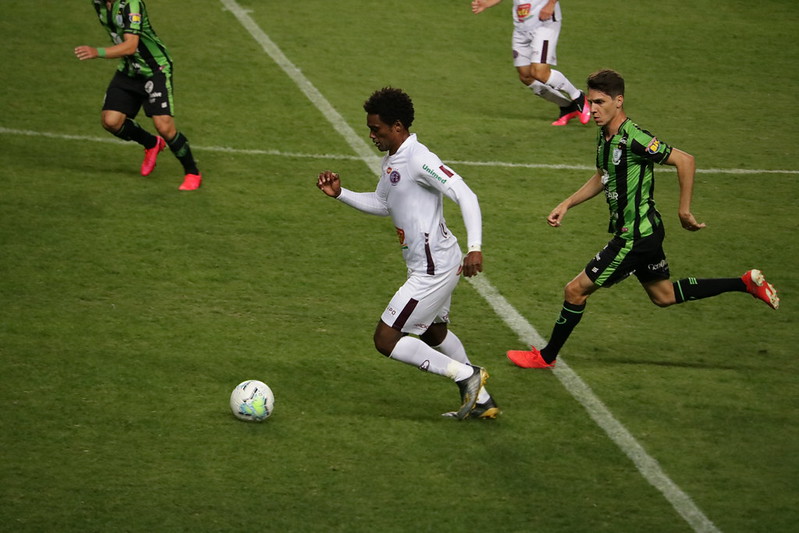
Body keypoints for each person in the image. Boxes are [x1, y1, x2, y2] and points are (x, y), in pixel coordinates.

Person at [507, 69, 780, 369]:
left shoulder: (635, 138)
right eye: (590, 102)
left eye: (599, 102)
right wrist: (568, 203)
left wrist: (684, 210)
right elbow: (603, 176)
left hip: (634, 237)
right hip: (647, 232)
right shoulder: (605, 135)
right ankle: (745, 284)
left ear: (618, 101)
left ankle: (546, 357)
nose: (592, 109)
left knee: (575, 291)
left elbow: (685, 160)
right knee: (663, 295)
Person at [316, 87, 497, 420]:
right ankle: (482, 400)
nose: (372, 135)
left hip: (434, 270)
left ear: (397, 126)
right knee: (432, 332)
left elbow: (466, 194)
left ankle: (467, 375)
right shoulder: (393, 161)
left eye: (377, 129)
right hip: (434, 262)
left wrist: (476, 248)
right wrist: (340, 194)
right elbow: (383, 203)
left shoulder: (418, 158)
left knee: (386, 338)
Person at [74, 0, 202, 191]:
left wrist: (96, 52)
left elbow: (130, 46)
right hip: (129, 69)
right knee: (111, 121)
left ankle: (192, 172)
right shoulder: (99, 3)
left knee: (164, 126)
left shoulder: (131, 4)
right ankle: (151, 144)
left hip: (155, 69)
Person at [471, 0, 590, 126]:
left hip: (545, 23)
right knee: (526, 76)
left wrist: (551, 4)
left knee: (539, 72)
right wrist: (487, 3)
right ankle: (567, 106)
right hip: (521, 26)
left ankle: (578, 96)